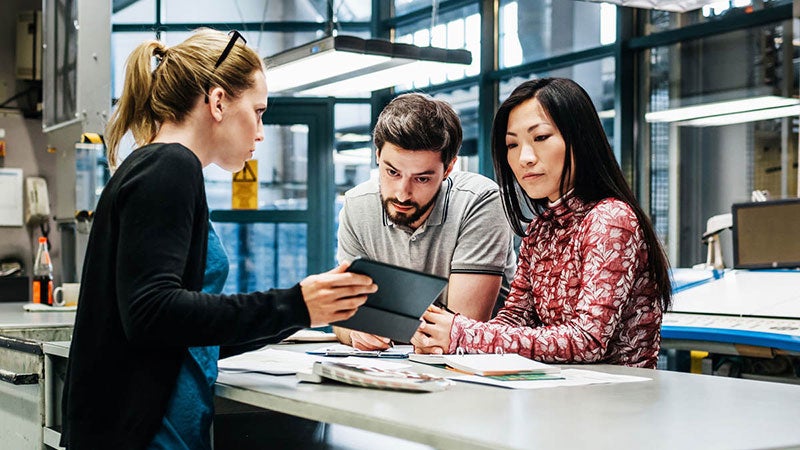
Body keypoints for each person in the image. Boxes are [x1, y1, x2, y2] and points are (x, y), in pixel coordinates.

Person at [60, 29, 377, 450]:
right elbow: (152, 313)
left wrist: (299, 314)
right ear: (219, 101)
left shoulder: (157, 165)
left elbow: (187, 333)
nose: (261, 132)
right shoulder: (169, 167)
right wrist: (293, 303)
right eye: (259, 111)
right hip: (143, 436)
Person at [411, 78, 672, 369]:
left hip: (619, 401)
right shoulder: (541, 228)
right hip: (560, 395)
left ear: (580, 139)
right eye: (512, 144)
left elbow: (588, 341)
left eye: (541, 138)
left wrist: (464, 335)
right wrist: (442, 339)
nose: (524, 158)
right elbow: (516, 318)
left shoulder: (611, 219)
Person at [335, 93, 516, 350]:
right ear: (377, 155)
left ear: (449, 168)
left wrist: (380, 319)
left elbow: (458, 331)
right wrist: (356, 331)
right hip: (399, 368)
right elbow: (343, 314)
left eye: (422, 178)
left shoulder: (480, 201)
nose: (401, 193)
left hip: (476, 371)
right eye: (392, 172)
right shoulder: (357, 204)